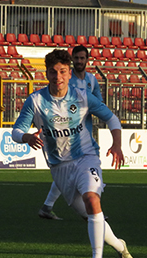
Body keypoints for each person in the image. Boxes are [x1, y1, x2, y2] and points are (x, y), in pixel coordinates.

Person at [13, 49, 138, 258]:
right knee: (91, 216)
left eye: (62, 71)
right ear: (46, 73)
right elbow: (16, 130)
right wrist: (26, 137)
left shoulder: (82, 96)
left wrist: (117, 144)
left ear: (69, 73)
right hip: (60, 168)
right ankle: (121, 248)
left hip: (86, 157)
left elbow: (112, 118)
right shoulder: (36, 101)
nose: (57, 76)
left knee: (93, 199)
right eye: (52, 72)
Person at [38, 45, 104, 220]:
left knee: (71, 171)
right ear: (72, 60)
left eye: (83, 58)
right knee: (68, 168)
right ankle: (89, 211)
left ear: (87, 60)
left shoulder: (92, 79)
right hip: (64, 133)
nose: (79, 61)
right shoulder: (66, 79)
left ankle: (49, 206)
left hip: (83, 131)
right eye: (77, 58)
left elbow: (99, 102)